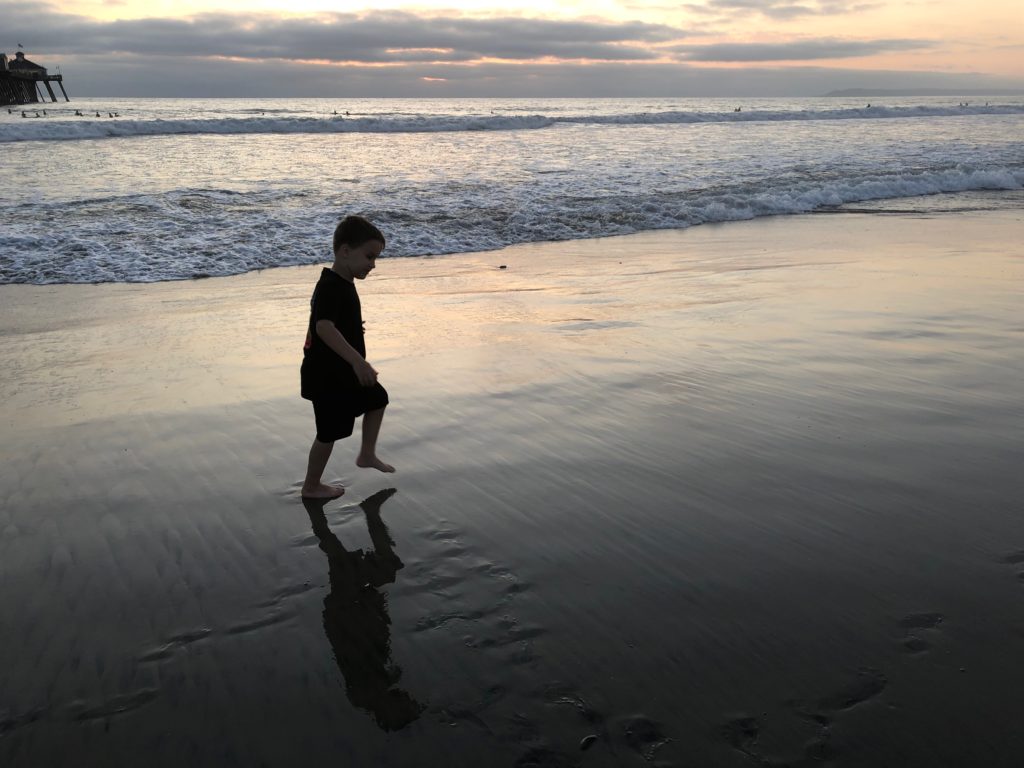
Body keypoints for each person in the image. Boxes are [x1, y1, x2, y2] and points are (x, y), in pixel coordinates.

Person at [300, 215, 394, 498]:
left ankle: (366, 454)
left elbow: (332, 323)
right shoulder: (331, 285)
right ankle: (311, 486)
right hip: (327, 375)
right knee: (328, 434)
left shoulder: (342, 282)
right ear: (345, 251)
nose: (373, 264)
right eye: (369, 256)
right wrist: (358, 361)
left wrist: (354, 329)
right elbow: (323, 327)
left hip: (342, 372)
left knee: (378, 398)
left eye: (376, 258)